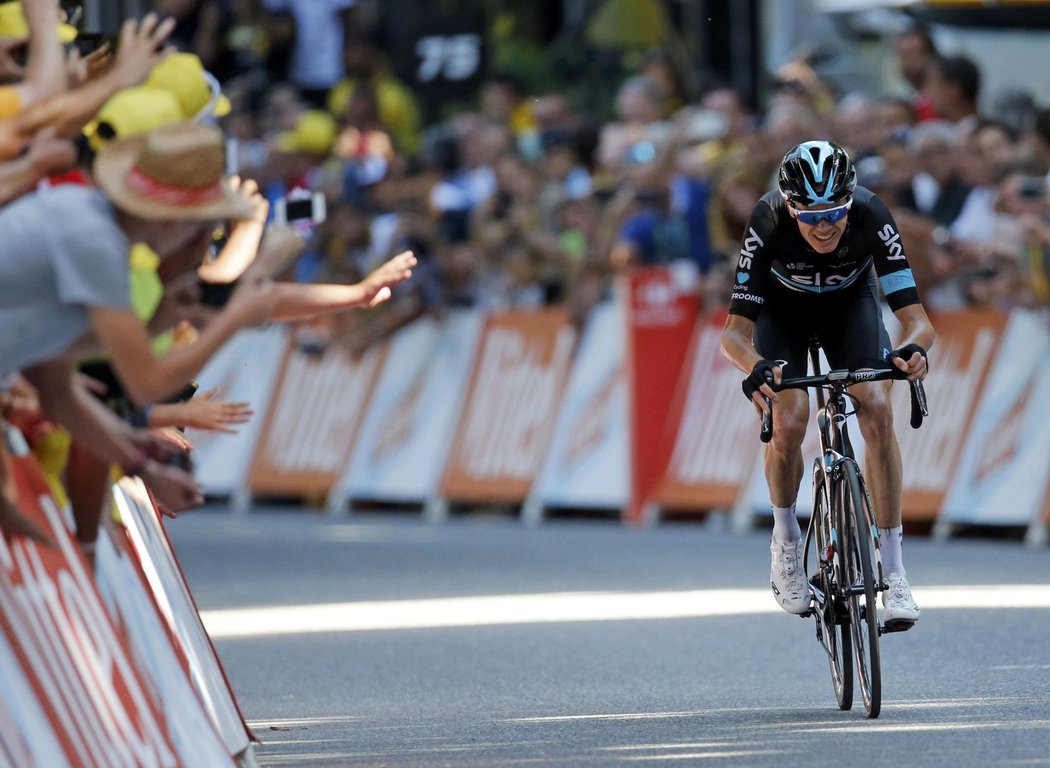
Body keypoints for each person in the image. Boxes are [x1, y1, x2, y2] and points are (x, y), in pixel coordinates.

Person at [719, 140, 936, 627]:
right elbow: (733, 334)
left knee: (877, 408)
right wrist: (754, 365)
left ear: (850, 199)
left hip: (849, 308)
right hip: (783, 313)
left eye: (835, 211)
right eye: (810, 214)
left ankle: (895, 569)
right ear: (789, 205)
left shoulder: (872, 215)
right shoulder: (768, 219)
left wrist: (914, 349)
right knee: (790, 419)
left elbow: (917, 320)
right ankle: (786, 541)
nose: (824, 225)